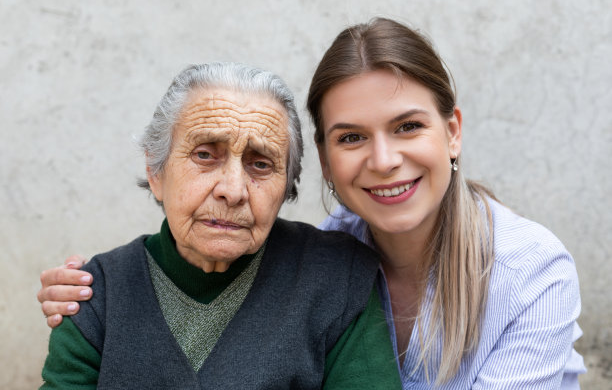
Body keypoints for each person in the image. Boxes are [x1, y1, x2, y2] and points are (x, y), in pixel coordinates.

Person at [39, 19, 586, 388]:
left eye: (409, 127)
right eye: (351, 137)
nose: (385, 158)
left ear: (453, 132)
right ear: (154, 172)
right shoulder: (334, 249)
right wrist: (88, 295)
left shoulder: (530, 272)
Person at [38, 62, 401, 389]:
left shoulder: (337, 279)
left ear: (286, 186)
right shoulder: (91, 295)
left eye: (261, 164)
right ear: (155, 171)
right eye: (205, 155)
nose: (233, 190)